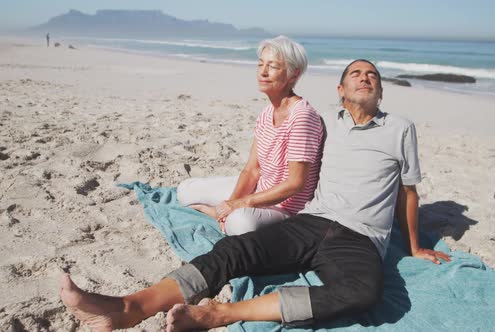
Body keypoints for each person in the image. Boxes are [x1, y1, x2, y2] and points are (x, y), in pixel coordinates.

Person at [59, 59, 451, 331]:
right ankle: (128, 308)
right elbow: (281, 115)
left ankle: (223, 314)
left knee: (363, 293)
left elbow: (408, 191)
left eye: (372, 75)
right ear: (341, 89)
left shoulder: (401, 128)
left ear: (380, 90)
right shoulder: (321, 120)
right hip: (311, 222)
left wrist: (414, 246)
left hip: (361, 238)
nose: (365, 78)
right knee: (235, 250)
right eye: (356, 74)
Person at [176, 36, 324, 236]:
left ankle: (218, 214)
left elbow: (295, 184)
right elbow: (252, 170)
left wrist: (238, 205)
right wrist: (229, 206)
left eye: (272, 66)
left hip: (284, 209)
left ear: (293, 74)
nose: (263, 72)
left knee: (240, 224)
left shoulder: (302, 116)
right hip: (258, 192)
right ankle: (218, 214)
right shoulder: (266, 113)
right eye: (260, 64)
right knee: (185, 191)